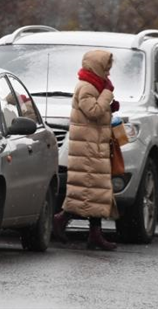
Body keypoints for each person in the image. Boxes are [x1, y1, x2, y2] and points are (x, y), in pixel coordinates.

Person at [52, 49, 120, 251]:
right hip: (87, 150)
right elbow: (94, 112)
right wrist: (107, 95)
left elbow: (99, 112)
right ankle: (61, 220)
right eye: (106, 69)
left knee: (93, 193)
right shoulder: (87, 87)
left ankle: (94, 234)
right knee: (87, 191)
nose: (108, 74)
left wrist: (110, 105)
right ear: (96, 67)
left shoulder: (94, 86)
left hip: (93, 148)